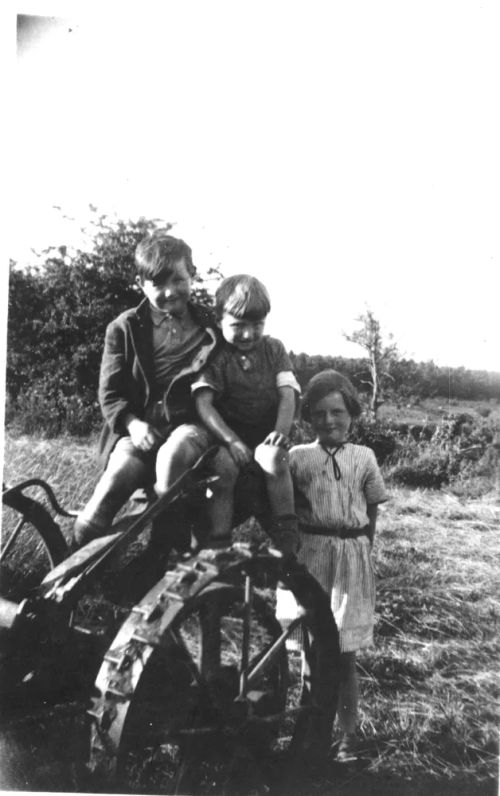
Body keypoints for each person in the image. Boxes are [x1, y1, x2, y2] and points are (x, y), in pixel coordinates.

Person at [73, 231, 220, 548]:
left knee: (174, 458)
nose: (170, 292)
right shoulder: (125, 327)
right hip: (139, 429)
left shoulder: (210, 325)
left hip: (188, 428)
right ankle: (70, 575)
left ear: (192, 275)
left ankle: (161, 557)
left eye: (179, 280)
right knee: (117, 478)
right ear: (141, 284)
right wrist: (133, 424)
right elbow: (110, 393)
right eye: (158, 284)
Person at [276, 369, 388, 762]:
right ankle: (310, 732)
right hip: (312, 555)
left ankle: (348, 735)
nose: (329, 421)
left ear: (352, 413)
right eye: (320, 413)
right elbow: (284, 507)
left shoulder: (364, 458)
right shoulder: (298, 458)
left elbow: (372, 508)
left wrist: (361, 550)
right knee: (311, 647)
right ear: (308, 417)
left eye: (337, 412)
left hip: (351, 557)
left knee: (344, 652)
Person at [192, 274, 301, 554]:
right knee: (224, 468)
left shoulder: (273, 349)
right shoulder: (215, 354)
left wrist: (280, 432)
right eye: (238, 326)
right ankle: (218, 541)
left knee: (275, 458)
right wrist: (231, 441)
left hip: (266, 435)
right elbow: (204, 404)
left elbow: (287, 394)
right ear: (219, 321)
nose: (249, 334)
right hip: (228, 438)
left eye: (257, 325)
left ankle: (285, 531)